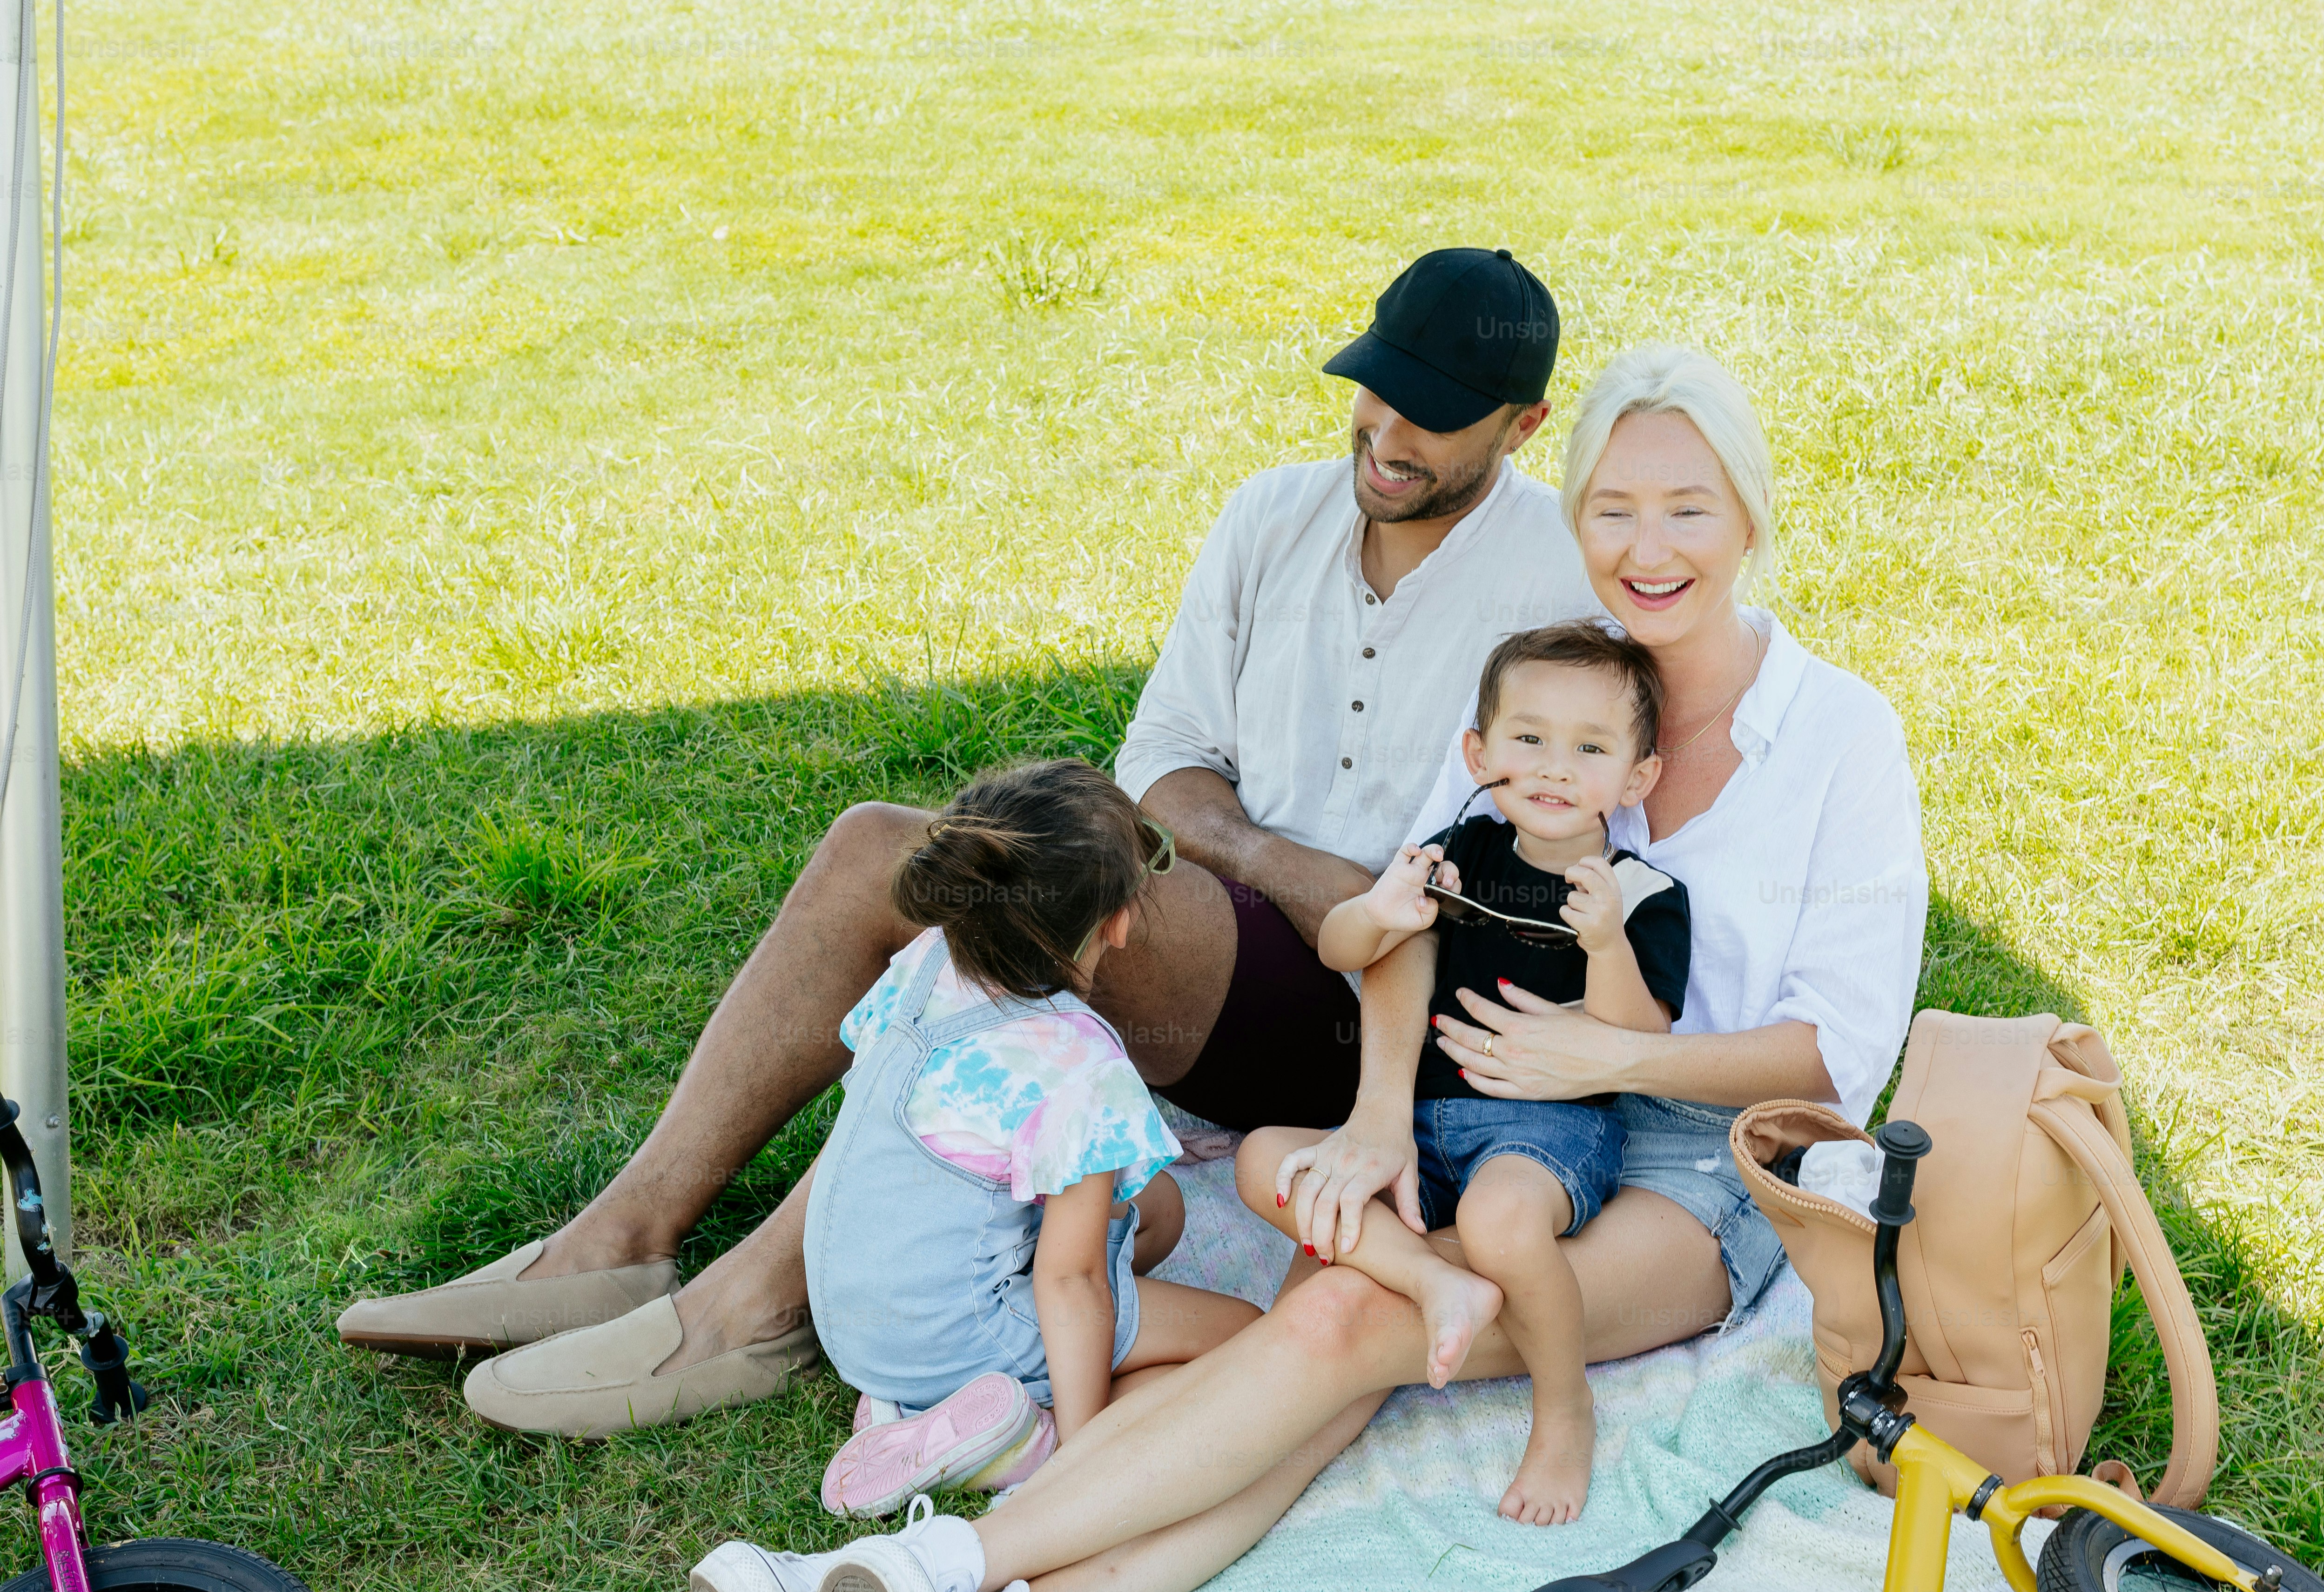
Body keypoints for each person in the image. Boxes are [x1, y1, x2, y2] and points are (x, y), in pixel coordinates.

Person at [689, 345, 1929, 1592]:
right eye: (1613, 511)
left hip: (1694, 1162)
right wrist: (1379, 1116)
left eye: (1687, 511)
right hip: (1478, 1105)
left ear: (1750, 516)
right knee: (1338, 1334)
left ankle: (935, 1574)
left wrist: (1614, 1057)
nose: (1646, 551)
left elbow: (1835, 1058)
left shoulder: (1841, 734)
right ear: (1573, 517)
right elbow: (1399, 927)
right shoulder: (1540, 699)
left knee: (1345, 1316)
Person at [330, 246, 1598, 1436]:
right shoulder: (1274, 516)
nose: (1384, 432)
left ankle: (756, 1307)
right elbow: (1161, 760)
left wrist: (1336, 895)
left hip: (1381, 1006)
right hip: (1245, 917)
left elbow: (1547, 837)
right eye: (1373, 391)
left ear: (1522, 427)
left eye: (1430, 413)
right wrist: (1269, 859)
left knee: (990, 915)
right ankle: (622, 1241)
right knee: (881, 849)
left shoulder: (1556, 579)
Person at [1247, 619, 1689, 1525]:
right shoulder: (1459, 856)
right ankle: (1427, 1279)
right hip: (1419, 1122)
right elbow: (1346, 946)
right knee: (1267, 1157)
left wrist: (1604, 941)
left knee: (1499, 1219)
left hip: (1548, 1125)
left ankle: (1563, 1406)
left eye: (1590, 747)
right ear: (1478, 752)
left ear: (1636, 775)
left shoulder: (1641, 891)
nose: (1555, 767)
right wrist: (1378, 910)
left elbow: (1639, 1034)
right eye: (1528, 738)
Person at [795, 760, 1263, 1521]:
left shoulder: (927, 961)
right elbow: (1071, 1282)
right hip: (959, 1329)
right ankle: (1030, 1442)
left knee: (1160, 1205)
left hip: (856, 1322)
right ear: (1119, 921)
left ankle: (906, 1411)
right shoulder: (1078, 1062)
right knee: (1247, 1346)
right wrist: (1086, 1460)